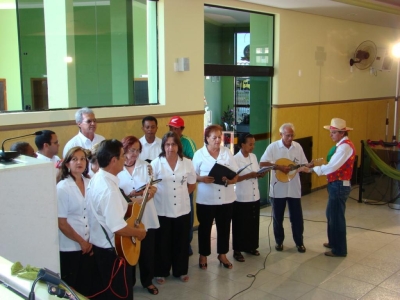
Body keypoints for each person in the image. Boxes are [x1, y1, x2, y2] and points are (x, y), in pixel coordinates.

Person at [87, 139, 146, 300]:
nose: (126, 159)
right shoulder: (109, 190)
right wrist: (138, 233)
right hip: (112, 252)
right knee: (119, 294)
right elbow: (117, 227)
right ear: (113, 160)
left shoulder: (98, 179)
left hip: (100, 248)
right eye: (122, 156)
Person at [300, 118, 355, 257]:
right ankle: (333, 242)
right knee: (331, 214)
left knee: (336, 217)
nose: (330, 135)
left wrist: (312, 170)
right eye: (330, 132)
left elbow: (332, 166)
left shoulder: (344, 147)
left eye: (333, 132)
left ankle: (339, 249)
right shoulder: (341, 145)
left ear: (342, 133)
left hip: (340, 185)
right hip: (336, 185)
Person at [151, 132, 196, 284]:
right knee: (163, 243)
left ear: (178, 146)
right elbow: (151, 187)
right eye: (167, 144)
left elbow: (191, 183)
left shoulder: (187, 163)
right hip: (162, 209)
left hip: (182, 210)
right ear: (163, 146)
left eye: (174, 144)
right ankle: (161, 271)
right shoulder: (156, 163)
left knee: (181, 242)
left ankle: (181, 271)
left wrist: (183, 195)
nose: (171, 147)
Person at [260, 123, 312, 253]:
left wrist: (308, 167)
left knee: (297, 218)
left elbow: (304, 164)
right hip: (278, 190)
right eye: (287, 135)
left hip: (294, 188)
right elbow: (262, 163)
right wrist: (278, 167)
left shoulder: (297, 147)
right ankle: (279, 241)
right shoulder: (273, 147)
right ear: (281, 135)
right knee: (278, 217)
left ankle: (299, 242)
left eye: (292, 135)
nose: (290, 138)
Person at [117, 135, 160, 295]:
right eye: (130, 150)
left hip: (146, 214)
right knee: (129, 251)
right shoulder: (117, 167)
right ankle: (129, 282)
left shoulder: (147, 166)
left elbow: (153, 187)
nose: (134, 153)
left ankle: (147, 281)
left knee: (147, 252)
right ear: (124, 150)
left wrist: (147, 195)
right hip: (127, 216)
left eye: (137, 150)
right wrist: (131, 196)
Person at [192, 124, 238, 270]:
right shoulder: (199, 154)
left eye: (220, 137)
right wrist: (201, 179)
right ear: (207, 138)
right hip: (206, 199)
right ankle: (203, 255)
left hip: (226, 198)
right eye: (214, 137)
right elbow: (192, 176)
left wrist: (230, 180)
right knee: (205, 228)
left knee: (224, 227)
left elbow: (236, 174)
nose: (218, 140)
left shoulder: (227, 153)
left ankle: (222, 254)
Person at [56, 146, 93, 296]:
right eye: (75, 159)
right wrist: (81, 242)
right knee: (71, 287)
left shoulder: (90, 182)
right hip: (70, 245)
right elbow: (62, 223)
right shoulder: (62, 188)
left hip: (89, 243)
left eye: (83, 159)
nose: (79, 162)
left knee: (87, 284)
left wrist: (89, 241)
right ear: (67, 164)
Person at [232, 133, 268, 262]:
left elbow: (256, 171)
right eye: (250, 144)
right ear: (242, 145)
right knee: (240, 224)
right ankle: (237, 250)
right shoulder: (235, 159)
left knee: (253, 223)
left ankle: (251, 246)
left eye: (254, 144)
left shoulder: (253, 156)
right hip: (241, 196)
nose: (252, 147)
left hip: (254, 195)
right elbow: (234, 179)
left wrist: (260, 174)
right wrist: (250, 175)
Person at [167, 115, 197, 256]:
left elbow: (194, 161)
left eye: (176, 128)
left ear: (182, 129)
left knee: (187, 215)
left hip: (185, 185)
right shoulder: (166, 140)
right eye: (171, 128)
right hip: (169, 188)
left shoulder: (187, 142)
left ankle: (187, 243)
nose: (173, 130)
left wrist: (179, 156)